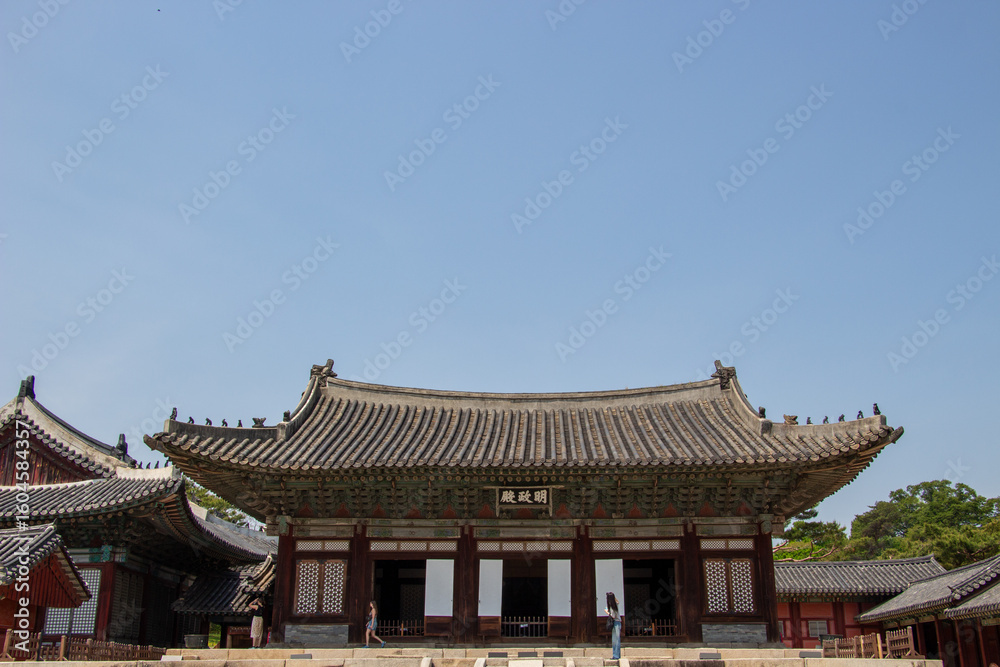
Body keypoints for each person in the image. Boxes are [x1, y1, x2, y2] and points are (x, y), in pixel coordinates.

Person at [604, 592, 622, 660]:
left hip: (615, 623)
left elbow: (613, 616)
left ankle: (616, 655)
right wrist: (613, 596)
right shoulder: (616, 604)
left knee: (615, 640)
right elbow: (617, 601)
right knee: (616, 640)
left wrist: (607, 612)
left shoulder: (612, 607)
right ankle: (617, 655)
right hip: (618, 623)